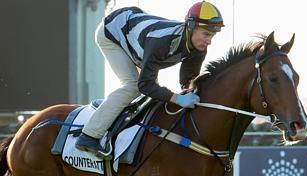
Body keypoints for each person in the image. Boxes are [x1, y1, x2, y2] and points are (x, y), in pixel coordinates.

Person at [75, 1, 224, 157]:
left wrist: (191, 94)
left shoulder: (199, 48)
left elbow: (187, 81)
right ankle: (89, 135)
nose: (209, 41)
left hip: (137, 38)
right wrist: (177, 99)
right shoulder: (162, 42)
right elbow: (145, 85)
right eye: (206, 34)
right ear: (191, 27)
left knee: (153, 92)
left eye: (212, 35)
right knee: (133, 86)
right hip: (112, 33)